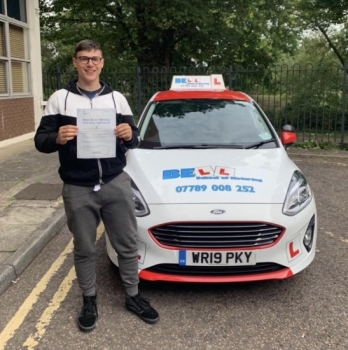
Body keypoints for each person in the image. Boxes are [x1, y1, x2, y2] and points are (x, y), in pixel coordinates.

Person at [34, 39, 159, 332]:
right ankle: (89, 299)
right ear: (75, 62)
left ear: (102, 63)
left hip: (115, 182)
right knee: (84, 248)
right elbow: (40, 141)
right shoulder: (60, 99)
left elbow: (136, 139)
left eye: (95, 58)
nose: (90, 63)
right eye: (84, 58)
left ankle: (133, 295)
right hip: (78, 187)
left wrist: (129, 134)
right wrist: (56, 137)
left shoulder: (117, 99)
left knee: (127, 244)